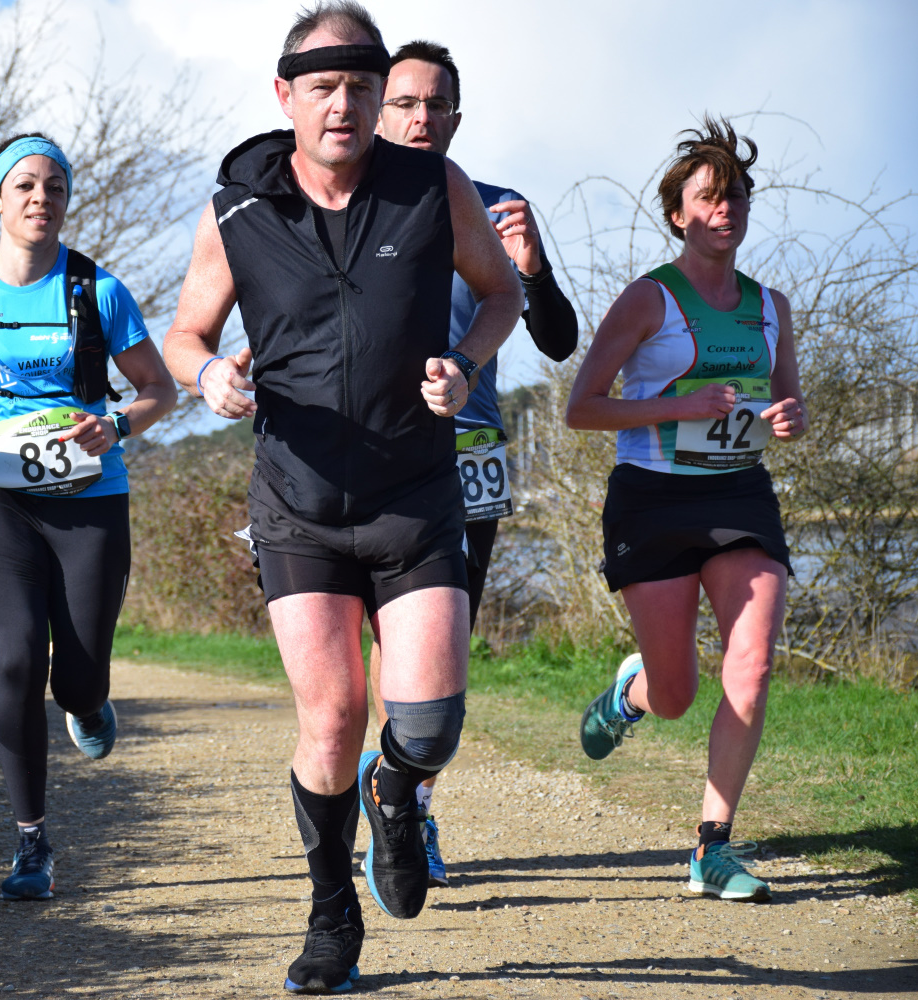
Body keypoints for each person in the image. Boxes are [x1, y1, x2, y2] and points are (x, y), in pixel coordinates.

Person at [163, 3, 523, 991]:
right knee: (331, 716)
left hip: (415, 497)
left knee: (430, 725)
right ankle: (331, 918)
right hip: (300, 505)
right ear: (285, 96)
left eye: (362, 87)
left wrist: (465, 361)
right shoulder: (237, 210)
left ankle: (395, 791)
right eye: (323, 87)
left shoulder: (433, 186)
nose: (344, 105)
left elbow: (502, 292)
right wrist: (207, 377)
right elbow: (185, 335)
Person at [0, 132, 176, 901]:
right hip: (1, 498)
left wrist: (115, 424)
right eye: (24, 185)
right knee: (19, 659)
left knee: (77, 681)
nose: (40, 198)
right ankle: (31, 844)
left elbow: (159, 389)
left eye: (54, 186)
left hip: (92, 502)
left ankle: (87, 703)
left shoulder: (99, 292)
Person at [565, 117, 806, 902]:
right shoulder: (649, 299)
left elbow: (787, 402)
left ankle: (712, 846)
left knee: (753, 662)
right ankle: (631, 694)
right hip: (653, 500)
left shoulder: (772, 306)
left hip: (739, 494)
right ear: (679, 214)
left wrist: (788, 418)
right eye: (707, 197)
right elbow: (582, 407)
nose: (723, 209)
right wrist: (680, 406)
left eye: (734, 196)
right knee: (676, 695)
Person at [362, 39, 579, 890]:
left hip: (470, 456)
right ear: (378, 110)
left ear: (456, 118)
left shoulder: (493, 208)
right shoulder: (350, 203)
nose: (421, 118)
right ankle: (389, 790)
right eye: (405, 103)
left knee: (440, 650)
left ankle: (406, 799)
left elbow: (557, 341)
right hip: (376, 455)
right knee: (387, 642)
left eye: (437, 105)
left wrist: (535, 270)